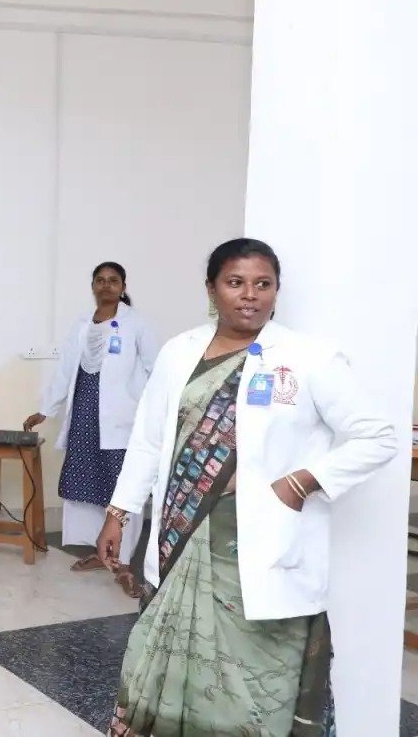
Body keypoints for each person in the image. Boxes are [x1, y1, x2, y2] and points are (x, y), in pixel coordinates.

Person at [99, 238, 397, 736]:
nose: (250, 295)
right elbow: (149, 440)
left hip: (260, 542)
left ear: (277, 290)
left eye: (263, 284)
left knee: (256, 680)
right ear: (212, 289)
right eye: (235, 283)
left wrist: (302, 482)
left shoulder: (307, 357)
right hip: (181, 535)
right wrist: (119, 511)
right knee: (164, 653)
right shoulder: (179, 352)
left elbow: (377, 436)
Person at [25, 262, 159, 597]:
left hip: (122, 419)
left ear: (123, 286)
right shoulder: (83, 323)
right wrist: (46, 409)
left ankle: (124, 562)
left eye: (113, 281)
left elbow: (156, 369)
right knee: (90, 480)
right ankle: (101, 552)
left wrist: (154, 413)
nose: (106, 286)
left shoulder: (136, 323)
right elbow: (65, 369)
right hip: (85, 414)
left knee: (120, 484)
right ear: (93, 286)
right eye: (100, 280)